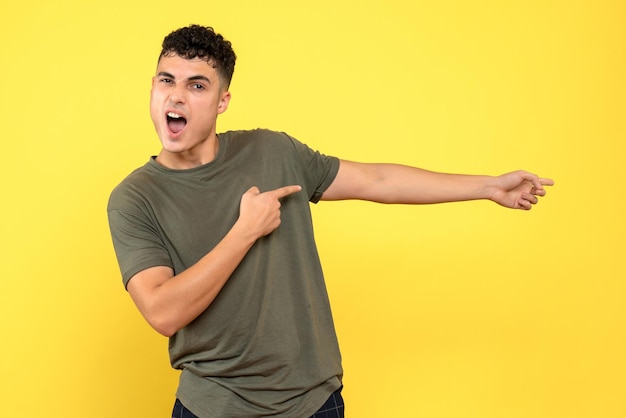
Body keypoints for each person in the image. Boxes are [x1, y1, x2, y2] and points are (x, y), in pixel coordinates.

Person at [107, 24, 553, 418]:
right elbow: (163, 312)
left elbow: (376, 180)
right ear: (152, 87)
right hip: (213, 408)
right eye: (167, 81)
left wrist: (487, 186)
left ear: (223, 101)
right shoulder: (134, 198)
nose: (177, 96)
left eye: (197, 86)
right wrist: (244, 232)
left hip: (313, 404)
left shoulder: (273, 152)